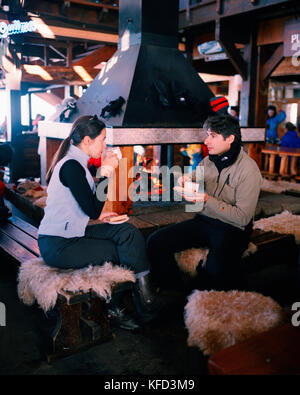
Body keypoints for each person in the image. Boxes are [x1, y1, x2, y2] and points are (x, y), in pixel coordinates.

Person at [38, 115, 160, 330]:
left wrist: (99, 214)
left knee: (127, 232)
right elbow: (93, 209)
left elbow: (86, 207)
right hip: (58, 245)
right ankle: (114, 310)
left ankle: (146, 301)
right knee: (115, 251)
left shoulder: (76, 164)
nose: (105, 145)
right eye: (102, 139)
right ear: (87, 140)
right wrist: (105, 172)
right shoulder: (71, 166)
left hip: (73, 233)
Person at [147, 114, 262, 292]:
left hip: (233, 229)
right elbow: (193, 179)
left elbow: (242, 218)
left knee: (214, 272)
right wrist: (184, 180)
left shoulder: (249, 169)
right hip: (205, 221)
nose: (206, 141)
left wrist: (207, 200)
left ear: (230, 138)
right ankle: (173, 293)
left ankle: (208, 302)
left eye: (213, 136)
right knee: (156, 241)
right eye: (207, 134)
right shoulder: (208, 161)